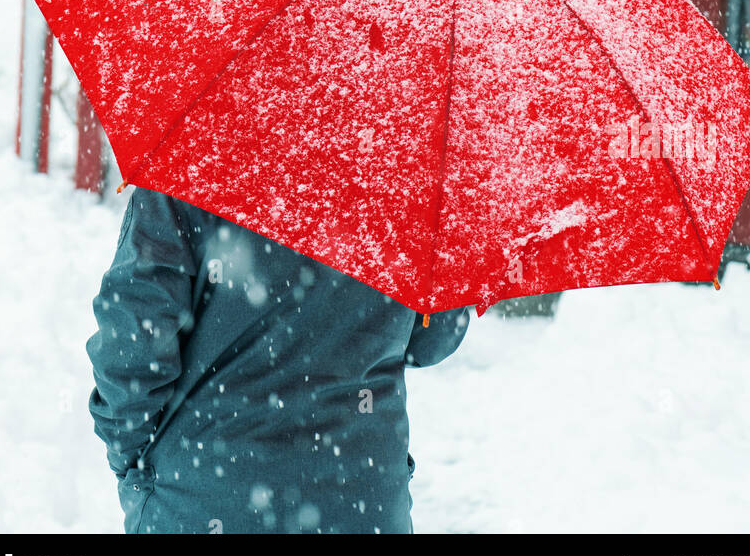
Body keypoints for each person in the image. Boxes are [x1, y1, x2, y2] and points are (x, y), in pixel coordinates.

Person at [87, 188, 469, 534]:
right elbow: (432, 340)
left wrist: (133, 462)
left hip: (205, 496)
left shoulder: (200, 157)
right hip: (362, 499)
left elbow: (132, 344)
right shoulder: (417, 173)